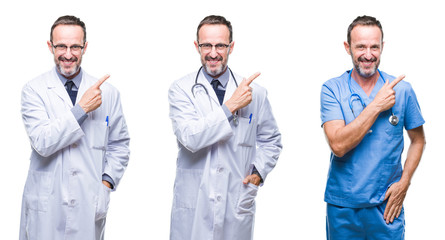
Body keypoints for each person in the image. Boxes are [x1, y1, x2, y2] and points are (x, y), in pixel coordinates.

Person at [168, 15, 282, 240]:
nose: (213, 53)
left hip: (236, 201)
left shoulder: (255, 93)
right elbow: (190, 137)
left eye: (220, 45)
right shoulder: (181, 89)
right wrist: (231, 107)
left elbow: (271, 140)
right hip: (194, 203)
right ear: (196, 46)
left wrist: (258, 172)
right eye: (206, 45)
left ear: (231, 46)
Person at [19, 15, 130, 240]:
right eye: (61, 46)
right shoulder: (34, 90)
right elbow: (42, 142)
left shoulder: (108, 93)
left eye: (75, 47)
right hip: (46, 204)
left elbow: (119, 145)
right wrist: (81, 109)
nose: (68, 54)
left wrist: (106, 183)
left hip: (89, 202)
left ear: (85, 47)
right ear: (50, 46)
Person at [320, 15, 426, 239]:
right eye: (360, 47)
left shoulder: (402, 90)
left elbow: (418, 140)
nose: (368, 55)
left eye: (374, 47)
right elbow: (338, 145)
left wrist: (404, 182)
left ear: (382, 47)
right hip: (343, 207)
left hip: (387, 207)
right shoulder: (332, 89)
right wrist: (377, 105)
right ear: (347, 47)